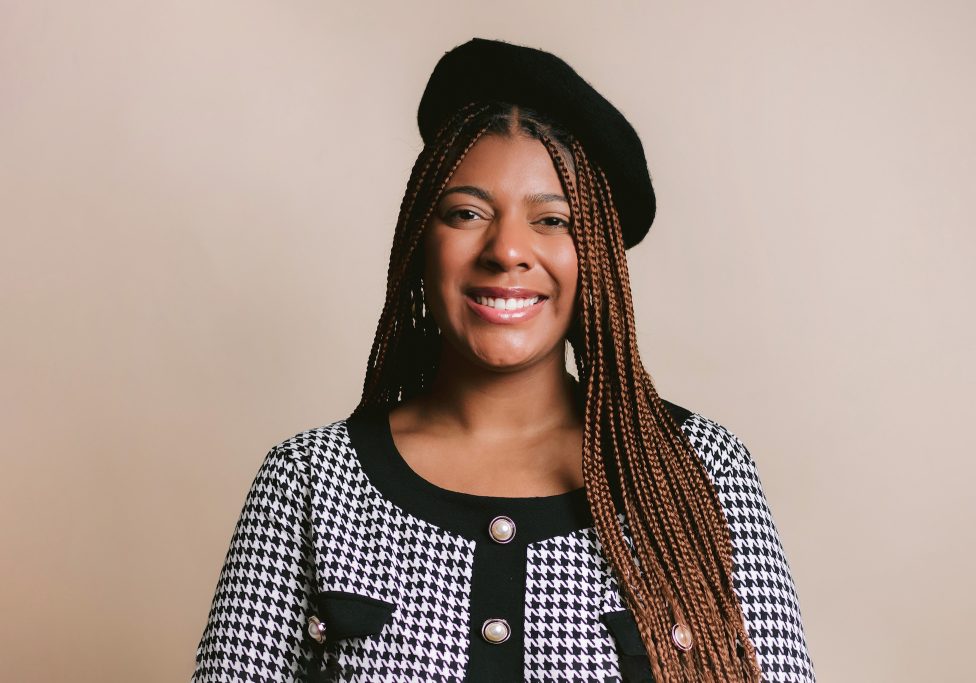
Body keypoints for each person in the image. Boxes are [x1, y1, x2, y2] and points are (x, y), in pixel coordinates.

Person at [190, 38, 815, 683]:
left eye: (552, 221)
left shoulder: (701, 473)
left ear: (595, 258)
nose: (508, 249)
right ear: (420, 242)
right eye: (468, 213)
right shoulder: (309, 484)